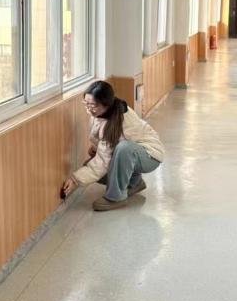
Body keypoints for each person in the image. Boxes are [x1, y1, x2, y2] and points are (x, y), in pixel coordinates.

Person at [61, 80, 164, 211]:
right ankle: (134, 182)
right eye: (86, 104)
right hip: (136, 151)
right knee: (92, 162)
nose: (88, 109)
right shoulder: (105, 112)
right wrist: (95, 149)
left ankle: (116, 197)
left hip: (150, 155)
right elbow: (103, 146)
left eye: (93, 105)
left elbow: (103, 161)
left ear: (106, 104)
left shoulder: (117, 121)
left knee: (124, 149)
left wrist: (75, 179)